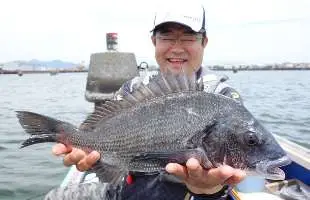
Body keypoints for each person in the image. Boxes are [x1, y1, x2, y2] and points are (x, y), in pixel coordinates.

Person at [52, 4, 246, 200]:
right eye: (166, 37)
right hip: (126, 189)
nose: (177, 48)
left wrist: (209, 189)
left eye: (188, 37)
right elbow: (102, 137)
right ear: (154, 41)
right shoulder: (131, 90)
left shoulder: (224, 99)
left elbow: (228, 178)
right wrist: (85, 146)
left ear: (204, 42)